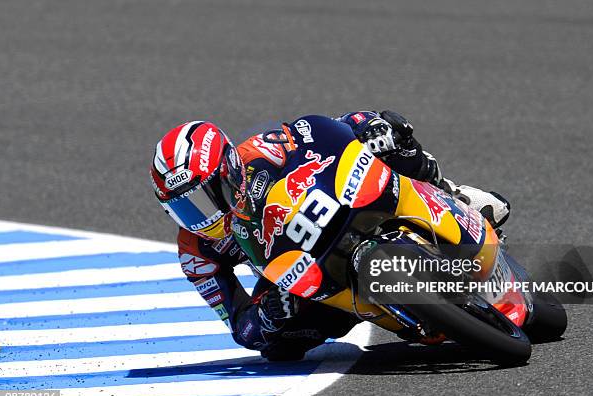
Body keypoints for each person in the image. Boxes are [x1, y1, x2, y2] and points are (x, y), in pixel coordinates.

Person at [150, 110, 510, 361]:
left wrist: (367, 125)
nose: (201, 215)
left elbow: (323, 130)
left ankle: (456, 196)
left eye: (202, 197)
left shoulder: (261, 152)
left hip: (327, 208)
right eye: (184, 207)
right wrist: (268, 316)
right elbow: (239, 326)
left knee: (389, 140)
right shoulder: (196, 251)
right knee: (275, 349)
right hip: (297, 273)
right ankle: (378, 308)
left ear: (227, 169)